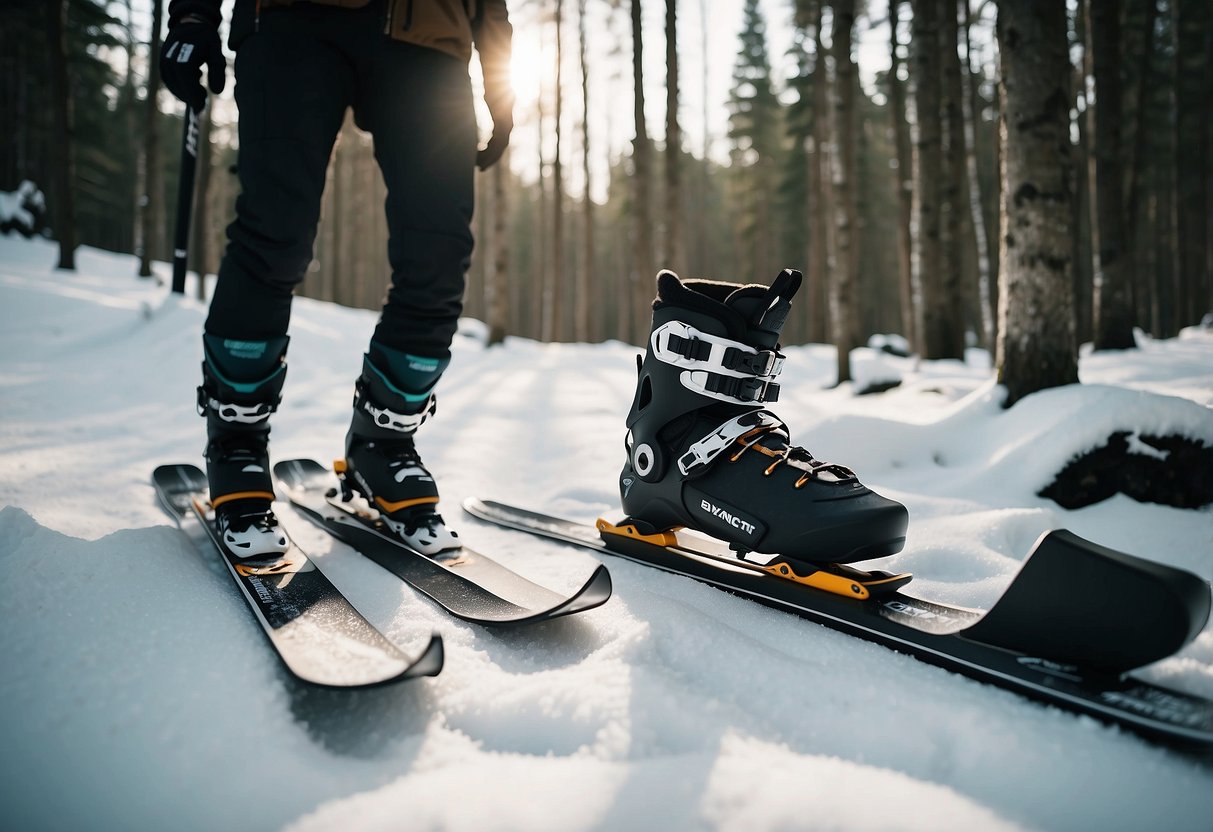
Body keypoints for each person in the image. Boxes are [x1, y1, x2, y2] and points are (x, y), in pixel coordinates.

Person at [159, 0, 513, 557]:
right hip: (292, 19)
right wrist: (194, 16)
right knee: (275, 233)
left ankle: (382, 442)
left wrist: (499, 73)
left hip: (432, 33)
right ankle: (237, 439)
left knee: (439, 251)